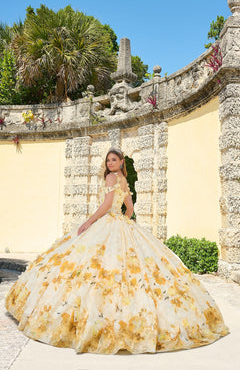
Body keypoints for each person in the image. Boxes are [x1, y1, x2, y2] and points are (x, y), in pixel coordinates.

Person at [4, 146, 229, 355]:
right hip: (122, 223)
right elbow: (129, 209)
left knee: (87, 269)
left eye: (114, 160)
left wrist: (88, 222)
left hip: (108, 222)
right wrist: (124, 225)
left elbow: (105, 205)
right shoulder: (123, 180)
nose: (110, 163)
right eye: (108, 160)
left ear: (121, 162)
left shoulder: (112, 178)